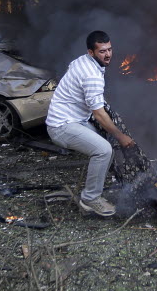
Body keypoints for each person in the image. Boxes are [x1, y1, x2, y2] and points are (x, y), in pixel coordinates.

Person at [45, 31, 134, 218]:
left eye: (109, 49)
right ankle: (90, 199)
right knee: (103, 150)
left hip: (74, 119)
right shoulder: (91, 75)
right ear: (91, 52)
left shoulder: (82, 60)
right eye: (102, 51)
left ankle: (94, 188)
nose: (108, 54)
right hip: (62, 126)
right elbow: (99, 114)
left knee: (103, 146)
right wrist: (121, 136)